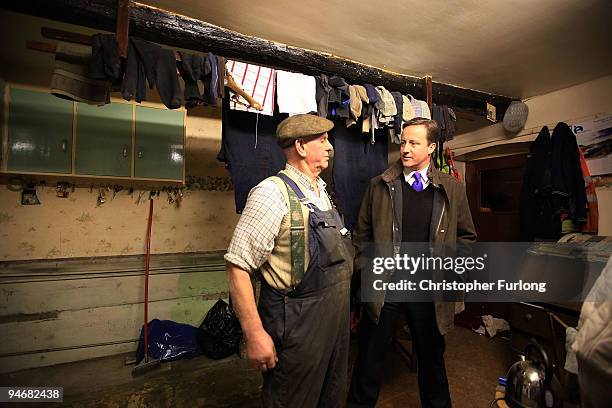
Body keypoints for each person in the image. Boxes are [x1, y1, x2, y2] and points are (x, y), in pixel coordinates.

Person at [225, 114, 354, 407]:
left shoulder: (322, 192)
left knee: (331, 397)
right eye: (322, 140)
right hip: (297, 327)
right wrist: (255, 333)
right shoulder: (272, 193)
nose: (330, 147)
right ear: (301, 146)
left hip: (333, 324)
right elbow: (237, 266)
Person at [348, 118, 477, 408]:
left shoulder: (452, 189)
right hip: (385, 287)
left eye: (414, 143)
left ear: (431, 147)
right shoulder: (379, 185)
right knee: (369, 359)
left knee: (432, 361)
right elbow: (362, 235)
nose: (405, 148)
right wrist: (365, 270)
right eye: (403, 141)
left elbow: (467, 237)